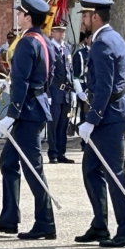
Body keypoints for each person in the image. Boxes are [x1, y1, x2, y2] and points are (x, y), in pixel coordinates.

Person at [0, 0, 56, 239]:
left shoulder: (28, 42)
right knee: (8, 162)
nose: (17, 15)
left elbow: (24, 81)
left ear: (28, 17)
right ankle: (9, 218)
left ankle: (46, 222)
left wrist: (12, 114)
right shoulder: (44, 40)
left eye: (20, 13)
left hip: (27, 112)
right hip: (34, 107)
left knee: (33, 168)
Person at [75, 0, 125, 248]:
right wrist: (120, 93)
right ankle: (100, 225)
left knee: (115, 175)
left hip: (107, 117)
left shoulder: (102, 44)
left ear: (95, 17)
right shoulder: (117, 39)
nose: (82, 20)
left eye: (84, 16)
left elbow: (103, 88)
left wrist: (92, 119)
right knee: (91, 169)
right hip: (113, 112)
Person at [46, 23, 75, 164]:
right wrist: (48, 93)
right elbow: (47, 73)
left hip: (66, 93)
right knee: (53, 124)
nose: (61, 34)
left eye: (63, 31)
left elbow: (71, 71)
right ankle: (52, 153)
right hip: (54, 91)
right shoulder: (49, 49)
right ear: (52, 33)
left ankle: (61, 152)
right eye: (58, 31)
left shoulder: (67, 49)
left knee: (64, 124)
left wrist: (74, 91)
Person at [72, 31, 91, 148]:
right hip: (84, 87)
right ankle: (85, 143)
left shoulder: (100, 52)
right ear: (86, 39)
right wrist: (79, 91)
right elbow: (75, 76)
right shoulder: (80, 54)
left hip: (97, 88)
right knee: (85, 116)